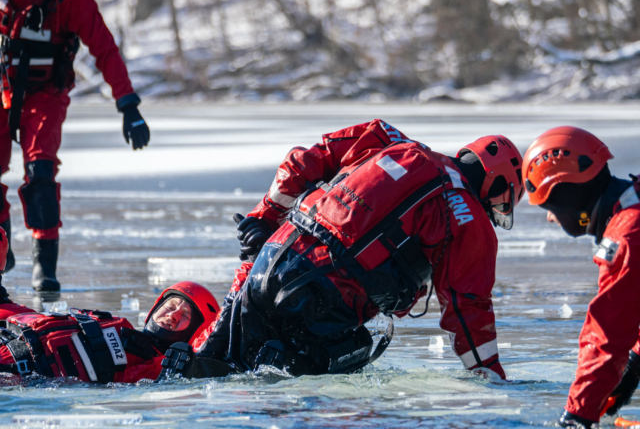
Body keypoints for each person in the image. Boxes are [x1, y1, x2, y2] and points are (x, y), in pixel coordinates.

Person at [160, 119, 525, 379]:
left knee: (207, 369)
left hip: (271, 260)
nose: (497, 212)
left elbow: (304, 161)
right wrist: (488, 374)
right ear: (497, 182)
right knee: (338, 359)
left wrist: (265, 216)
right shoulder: (469, 217)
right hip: (324, 301)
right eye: (504, 202)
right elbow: (466, 306)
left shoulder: (388, 140)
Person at [0, 0, 151, 292]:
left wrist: (127, 104)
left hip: (45, 94)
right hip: (2, 85)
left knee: (40, 172)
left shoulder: (71, 2)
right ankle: (0, 250)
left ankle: (44, 266)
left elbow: (105, 48)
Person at [0, 218, 219, 383]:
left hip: (17, 377)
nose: (173, 315)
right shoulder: (112, 323)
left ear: (195, 334)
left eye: (186, 316)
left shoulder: (156, 367)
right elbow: (32, 322)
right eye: (170, 306)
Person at [522, 126, 640, 429]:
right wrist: (634, 364)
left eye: (549, 207)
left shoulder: (628, 234)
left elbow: (607, 334)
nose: (550, 217)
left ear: (568, 199)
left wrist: (577, 417)